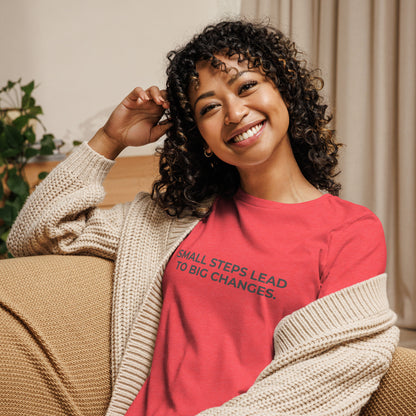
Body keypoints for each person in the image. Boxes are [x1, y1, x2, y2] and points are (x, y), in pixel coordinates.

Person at [6, 20, 398, 416]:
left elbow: (325, 375)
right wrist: (110, 139)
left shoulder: (350, 230)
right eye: (209, 107)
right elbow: (37, 235)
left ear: (284, 90)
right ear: (201, 137)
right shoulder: (176, 220)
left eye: (246, 87)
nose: (234, 112)